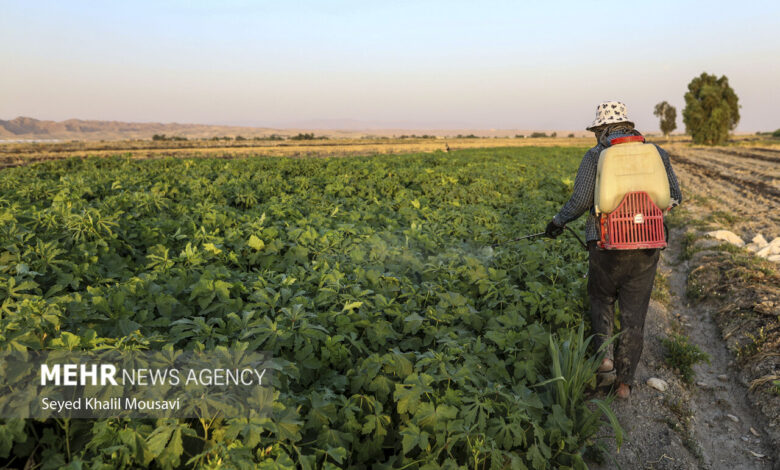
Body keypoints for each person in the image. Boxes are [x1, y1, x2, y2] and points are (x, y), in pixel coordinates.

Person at [544, 101, 682, 399]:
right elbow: (675, 196)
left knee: (601, 299)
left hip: (606, 244)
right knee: (635, 312)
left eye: (596, 131)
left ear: (602, 129)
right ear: (628, 126)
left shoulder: (596, 155)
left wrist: (557, 222)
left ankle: (605, 362)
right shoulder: (656, 152)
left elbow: (580, 201)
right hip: (646, 245)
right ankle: (624, 384)